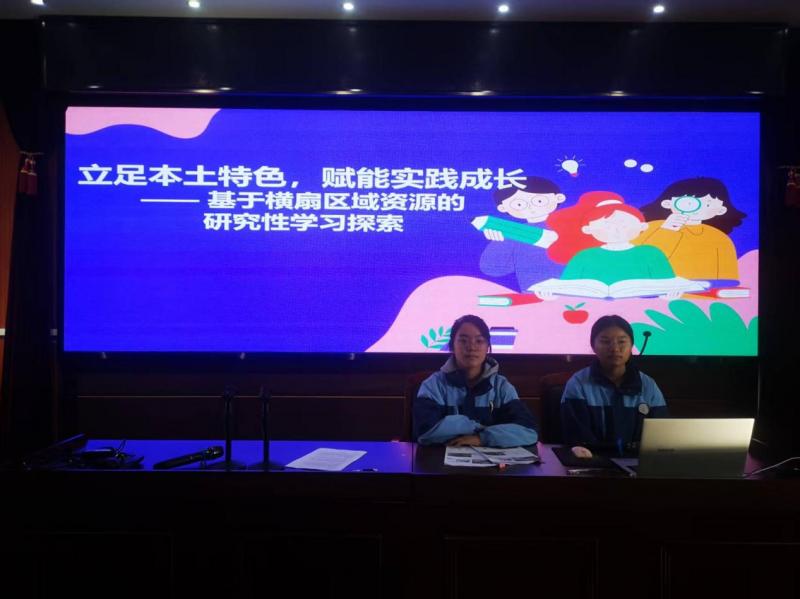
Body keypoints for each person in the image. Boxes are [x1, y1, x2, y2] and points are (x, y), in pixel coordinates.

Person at [413, 314, 538, 447]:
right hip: (442, 459)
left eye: (479, 341)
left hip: (492, 460)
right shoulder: (433, 386)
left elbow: (528, 431)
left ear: (487, 347)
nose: (471, 347)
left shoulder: (502, 387)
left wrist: (482, 438)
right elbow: (425, 431)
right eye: (463, 341)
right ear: (452, 345)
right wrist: (477, 427)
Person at [560, 315, 668, 458]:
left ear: (631, 346)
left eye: (622, 341)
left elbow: (660, 436)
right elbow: (578, 438)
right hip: (592, 462)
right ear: (593, 346)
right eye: (605, 341)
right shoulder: (578, 384)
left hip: (638, 464)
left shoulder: (648, 385)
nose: (615, 348)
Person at [634, 177, 747, 285]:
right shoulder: (649, 228)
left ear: (721, 210)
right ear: (667, 203)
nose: (697, 207)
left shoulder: (719, 238)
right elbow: (638, 262)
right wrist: (666, 231)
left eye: (707, 204)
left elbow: (727, 277)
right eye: (687, 202)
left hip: (700, 293)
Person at [478, 176, 566, 291]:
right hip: (532, 293)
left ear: (559, 198)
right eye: (519, 204)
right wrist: (499, 243)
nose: (531, 208)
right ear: (503, 208)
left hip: (573, 291)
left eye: (539, 201)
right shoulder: (515, 233)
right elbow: (494, 269)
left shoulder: (569, 226)